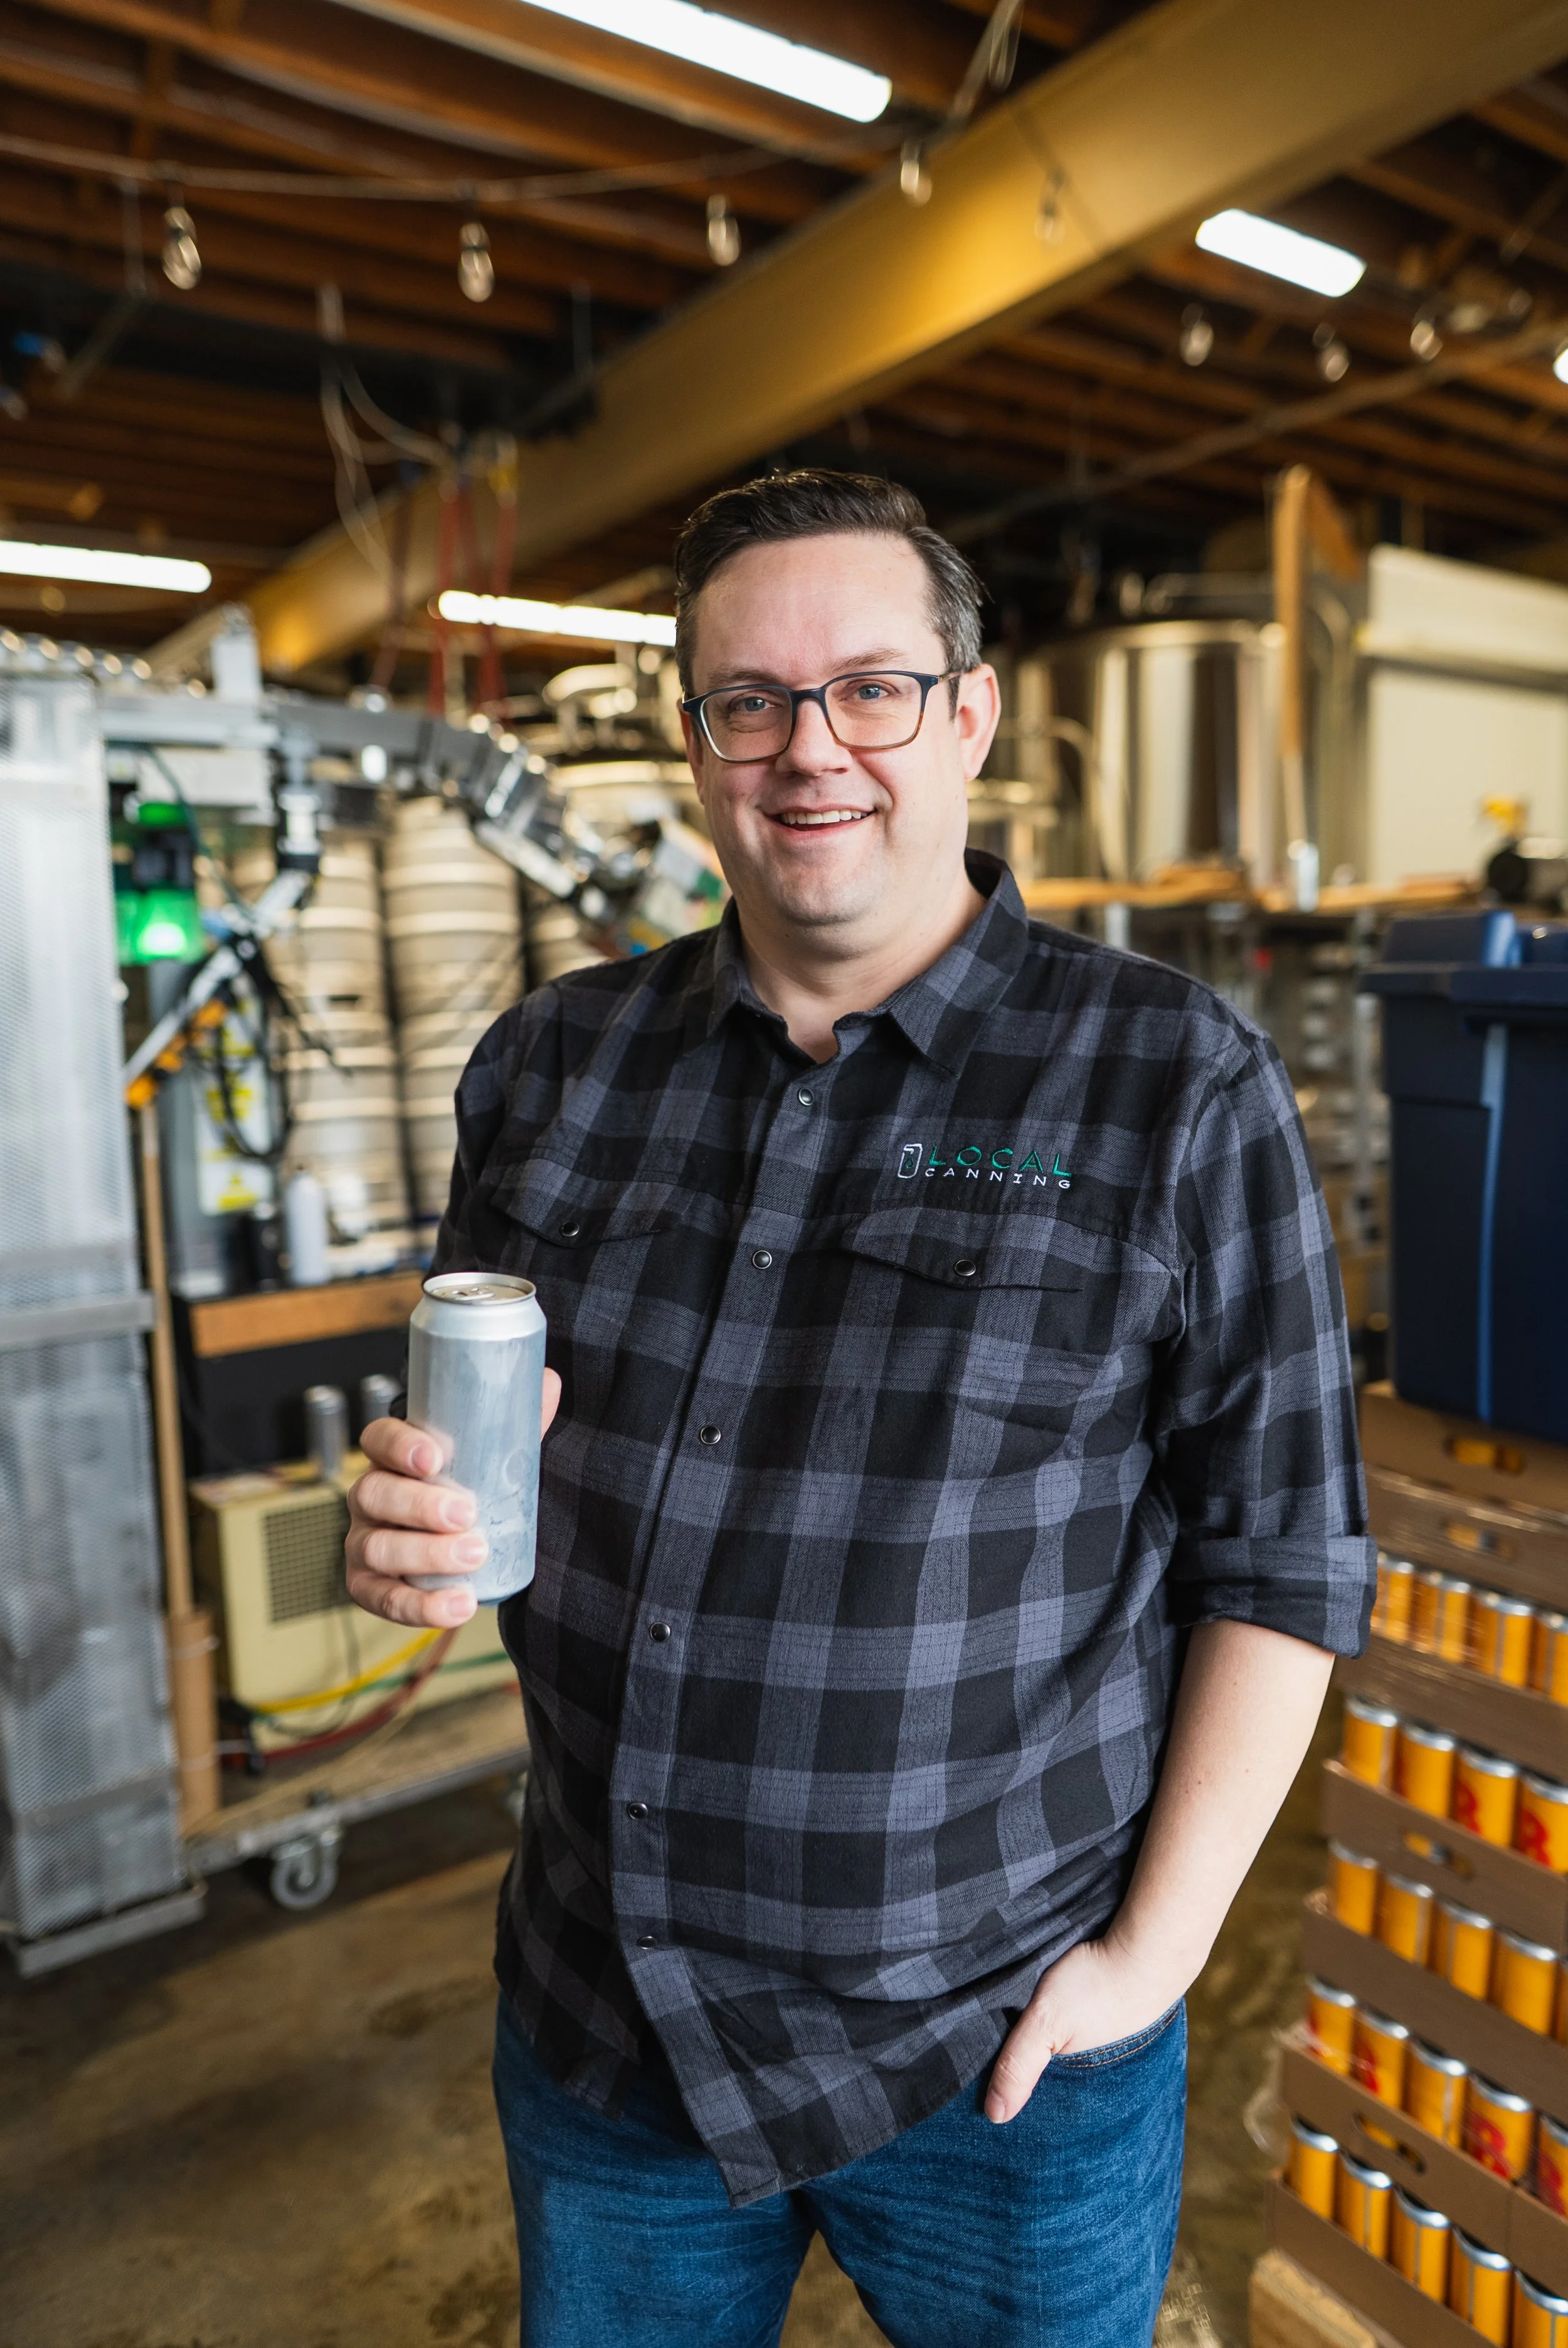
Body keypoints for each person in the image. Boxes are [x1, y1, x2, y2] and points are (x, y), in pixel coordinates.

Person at [346, 470, 1374, 2348]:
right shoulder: (553, 1069)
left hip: (995, 2053)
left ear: (968, 712)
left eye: (871, 688)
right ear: (694, 741)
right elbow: (482, 1453)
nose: (809, 748)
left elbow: (1285, 1554)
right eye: (749, 701)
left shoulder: (1171, 1082)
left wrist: (1149, 1962)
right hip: (609, 2025)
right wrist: (407, 1532)